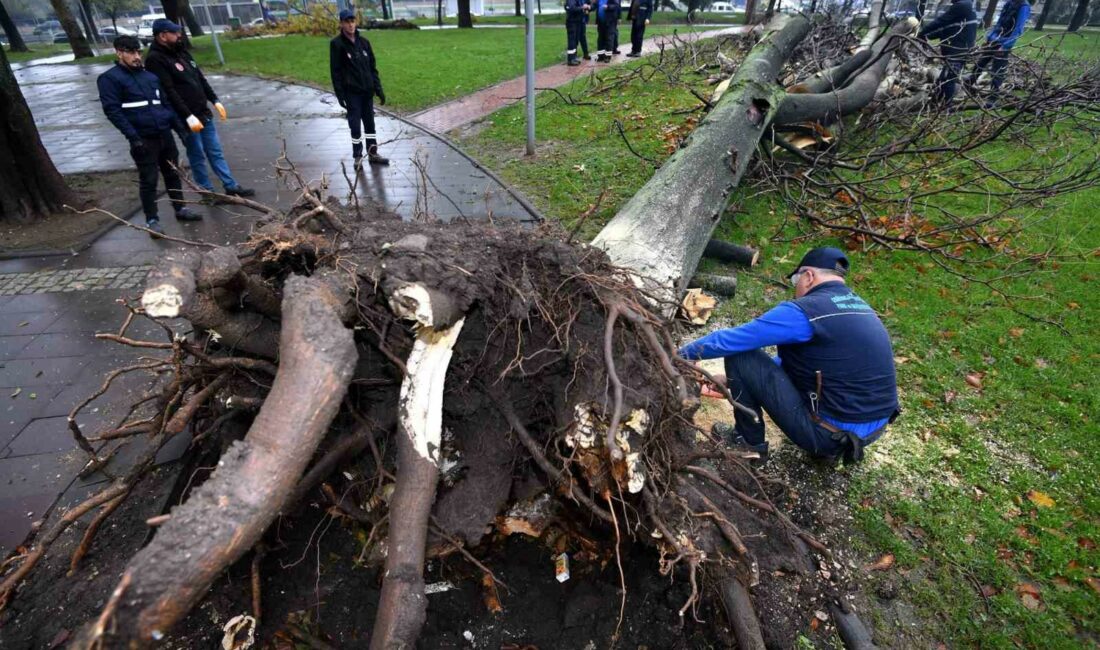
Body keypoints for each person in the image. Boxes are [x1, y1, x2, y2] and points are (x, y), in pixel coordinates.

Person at [679, 248, 899, 465]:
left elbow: (728, 341)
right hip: (871, 431)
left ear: (809, 276)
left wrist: (677, 355)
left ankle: (747, 444)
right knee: (752, 366)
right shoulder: (860, 308)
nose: (796, 289)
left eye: (796, 281)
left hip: (829, 435)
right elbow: (817, 366)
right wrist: (735, 381)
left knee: (741, 357)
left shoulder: (806, 311)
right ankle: (829, 449)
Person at [97, 35, 202, 238]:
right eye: (132, 52)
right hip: (143, 138)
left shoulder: (150, 77)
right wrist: (133, 137)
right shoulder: (110, 79)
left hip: (164, 134)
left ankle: (180, 208)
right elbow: (113, 112)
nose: (137, 56)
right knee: (149, 179)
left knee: (173, 173)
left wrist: (179, 129)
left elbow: (164, 105)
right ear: (119, 53)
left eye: (138, 52)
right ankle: (152, 220)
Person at [144, 18, 255, 198]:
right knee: (197, 156)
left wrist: (214, 99)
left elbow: (200, 79)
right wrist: (187, 115)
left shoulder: (181, 52)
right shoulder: (155, 59)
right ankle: (207, 192)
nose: (179, 35)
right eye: (174, 33)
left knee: (215, 151)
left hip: (202, 112)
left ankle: (231, 185)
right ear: (162, 36)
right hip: (186, 118)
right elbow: (168, 91)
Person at [329, 9, 390, 168]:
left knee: (370, 125)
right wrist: (340, 95)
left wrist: (378, 89)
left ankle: (373, 153)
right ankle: (357, 156)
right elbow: (335, 72)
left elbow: (372, 68)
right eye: (347, 22)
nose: (350, 25)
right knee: (355, 127)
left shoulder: (364, 43)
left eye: (352, 21)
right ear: (341, 24)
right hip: (352, 94)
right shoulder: (337, 44)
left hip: (367, 92)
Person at [917, 0, 979, 105]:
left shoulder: (962, 5)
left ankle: (947, 106)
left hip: (959, 49)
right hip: (958, 47)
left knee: (949, 78)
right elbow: (948, 28)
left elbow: (941, 21)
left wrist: (922, 32)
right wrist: (926, 36)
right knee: (943, 77)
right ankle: (936, 101)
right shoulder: (962, 9)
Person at [967, 0, 1030, 101]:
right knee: (980, 63)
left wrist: (1005, 46)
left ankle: (993, 98)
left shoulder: (1024, 6)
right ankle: (968, 84)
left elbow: (1018, 29)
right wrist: (990, 37)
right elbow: (999, 22)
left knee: (998, 71)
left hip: (1004, 43)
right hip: (994, 40)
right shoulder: (1009, 3)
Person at [565, 0, 592, 66]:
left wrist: (587, 7)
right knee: (572, 40)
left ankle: (574, 58)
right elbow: (572, 8)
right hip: (572, 22)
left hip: (578, 22)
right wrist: (582, 7)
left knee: (576, 40)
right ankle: (571, 59)